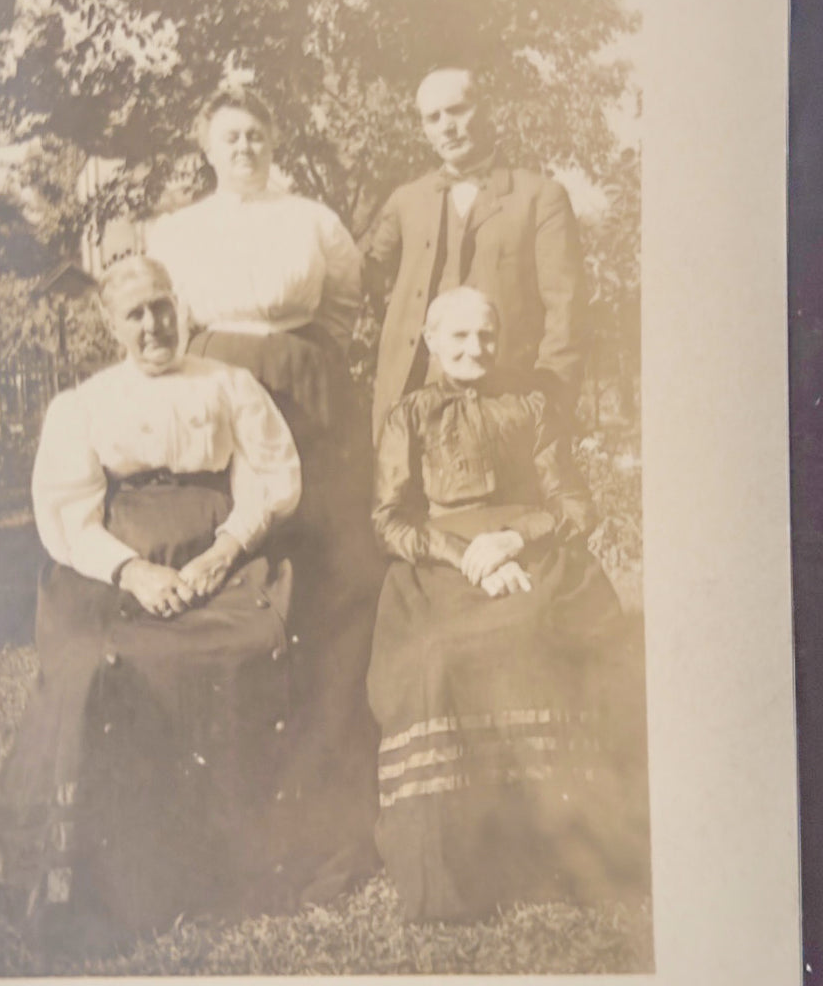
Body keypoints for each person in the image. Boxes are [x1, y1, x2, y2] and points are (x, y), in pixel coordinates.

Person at [0, 255, 303, 954]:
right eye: (134, 313)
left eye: (162, 306)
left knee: (251, 643)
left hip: (221, 555)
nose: (153, 324)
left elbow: (269, 479)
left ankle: (232, 861)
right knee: (98, 664)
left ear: (179, 307)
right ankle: (120, 872)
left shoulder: (230, 384)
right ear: (111, 326)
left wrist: (223, 553)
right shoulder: (84, 404)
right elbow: (69, 513)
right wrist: (132, 573)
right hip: (120, 568)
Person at [145, 86, 382, 902]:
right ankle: (238, 801)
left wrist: (296, 365)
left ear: (273, 139)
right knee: (241, 569)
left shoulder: (312, 219)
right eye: (230, 136)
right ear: (207, 148)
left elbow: (343, 306)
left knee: (327, 577)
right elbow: (167, 323)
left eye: (256, 133)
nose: (244, 146)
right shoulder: (176, 231)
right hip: (217, 392)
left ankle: (332, 792)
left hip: (311, 395)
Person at [367, 286, 649, 923]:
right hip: (441, 566)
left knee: (540, 636)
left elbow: (574, 504)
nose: (475, 348)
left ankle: (566, 853)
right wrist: (466, 553)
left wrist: (512, 540)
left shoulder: (530, 405)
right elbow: (388, 520)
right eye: (460, 336)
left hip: (533, 553)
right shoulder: (409, 416)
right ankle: (455, 868)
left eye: (486, 335)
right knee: (437, 658)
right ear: (432, 341)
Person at [362, 64, 588, 441]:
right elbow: (359, 274)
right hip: (409, 405)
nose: (446, 127)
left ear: (486, 110)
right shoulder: (406, 200)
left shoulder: (540, 197)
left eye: (457, 110)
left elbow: (567, 313)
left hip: (506, 407)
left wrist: (548, 405)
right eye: (433, 117)